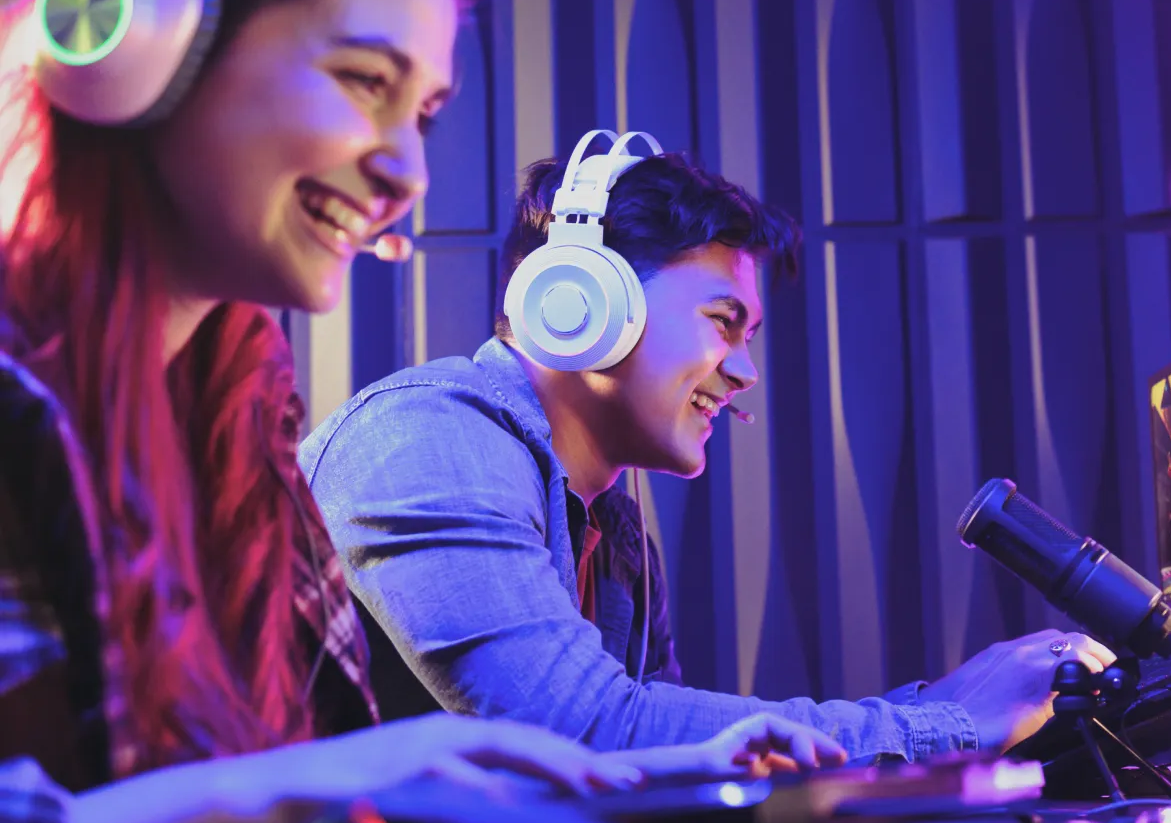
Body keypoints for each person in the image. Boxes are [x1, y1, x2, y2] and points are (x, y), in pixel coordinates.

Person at [0, 0, 843, 823]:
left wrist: (635, 777)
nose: (407, 172)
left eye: (424, 114)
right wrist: (287, 792)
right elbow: (294, 782)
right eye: (365, 81)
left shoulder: (239, 426)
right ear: (146, 48)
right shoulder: (405, 439)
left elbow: (328, 771)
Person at [302, 135, 1118, 760]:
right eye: (724, 321)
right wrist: (949, 728)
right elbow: (582, 732)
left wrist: (954, 700)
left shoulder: (615, 535)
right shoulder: (424, 438)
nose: (746, 371)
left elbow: (682, 759)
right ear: (579, 302)